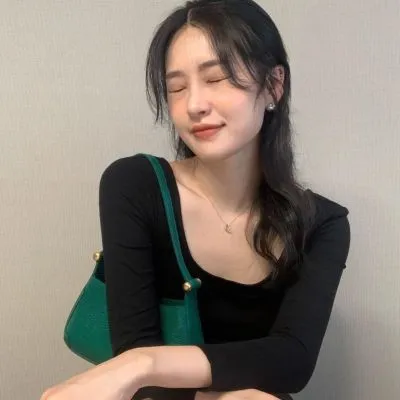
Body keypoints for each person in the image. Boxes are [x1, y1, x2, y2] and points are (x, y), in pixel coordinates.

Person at [41, 0, 351, 399]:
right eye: (177, 87)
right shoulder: (135, 186)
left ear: (274, 85)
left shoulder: (322, 223)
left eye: (216, 78)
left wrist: (142, 363)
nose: (194, 105)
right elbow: (135, 353)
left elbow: (292, 360)